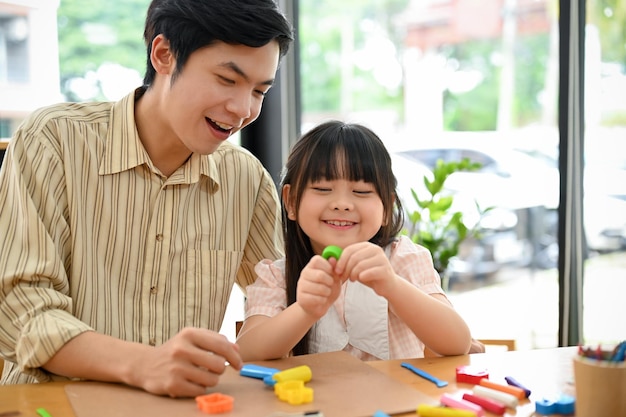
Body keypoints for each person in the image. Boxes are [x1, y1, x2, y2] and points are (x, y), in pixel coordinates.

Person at [0, 0, 293, 398]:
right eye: (227, 80)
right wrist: (143, 364)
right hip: (52, 401)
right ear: (164, 55)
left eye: (259, 90)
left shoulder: (246, 178)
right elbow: (20, 309)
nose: (243, 110)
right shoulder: (53, 141)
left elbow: (277, 299)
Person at [236, 121, 473, 362]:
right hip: (317, 400)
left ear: (387, 208)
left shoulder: (405, 258)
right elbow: (248, 352)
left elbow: (458, 343)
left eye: (361, 192)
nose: (342, 203)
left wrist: (392, 285)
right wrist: (305, 310)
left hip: (401, 399)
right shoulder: (277, 276)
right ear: (291, 201)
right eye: (322, 188)